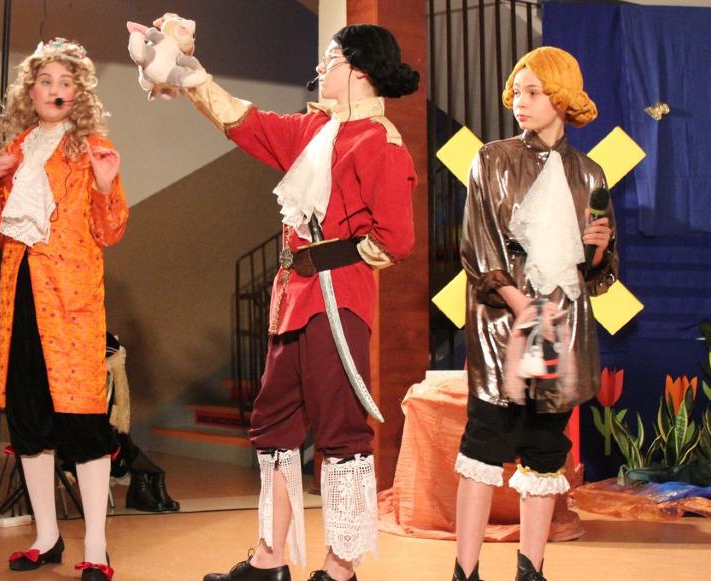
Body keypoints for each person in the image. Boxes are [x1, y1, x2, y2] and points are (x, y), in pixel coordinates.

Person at [148, 23, 419, 581]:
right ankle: (269, 559)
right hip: (290, 301)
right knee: (273, 426)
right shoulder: (314, 129)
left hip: (338, 302)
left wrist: (325, 258)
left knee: (341, 431)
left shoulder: (382, 142)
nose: (321, 66)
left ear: (358, 69)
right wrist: (189, 73)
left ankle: (340, 568)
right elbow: (247, 123)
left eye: (331, 57)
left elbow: (395, 239)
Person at [453, 46, 616, 581]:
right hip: (504, 328)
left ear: (561, 98)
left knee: (546, 449)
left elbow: (598, 275)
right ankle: (465, 572)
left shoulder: (590, 174)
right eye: (517, 92)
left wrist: (598, 250)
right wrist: (523, 307)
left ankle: (531, 569)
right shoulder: (492, 159)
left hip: (559, 328)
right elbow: (479, 246)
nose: (519, 102)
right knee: (484, 443)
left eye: (533, 92)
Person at [0, 38, 127, 581]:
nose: (55, 91)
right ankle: (46, 537)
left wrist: (105, 187)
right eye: (46, 82)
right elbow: (3, 229)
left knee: (83, 421)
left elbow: (110, 230)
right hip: (21, 297)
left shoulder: (93, 148)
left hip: (70, 302)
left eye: (66, 83)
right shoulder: (17, 148)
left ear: (78, 94)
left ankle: (97, 547)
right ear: (31, 91)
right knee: (29, 418)